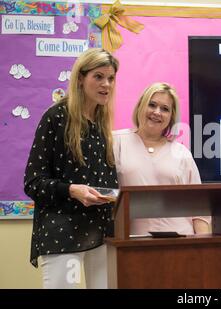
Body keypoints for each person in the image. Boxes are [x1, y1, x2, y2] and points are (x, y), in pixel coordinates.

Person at [24, 48, 119, 288]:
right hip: (62, 234)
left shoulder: (101, 122)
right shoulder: (55, 117)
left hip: (100, 232)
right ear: (80, 78)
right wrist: (72, 190)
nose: (106, 84)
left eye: (110, 78)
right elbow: (33, 182)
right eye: (98, 77)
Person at [113, 82, 210, 235]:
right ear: (140, 106)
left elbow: (200, 209)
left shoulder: (181, 153)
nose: (157, 112)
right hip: (133, 243)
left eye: (165, 109)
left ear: (171, 117)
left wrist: (204, 249)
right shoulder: (116, 142)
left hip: (181, 242)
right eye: (152, 105)